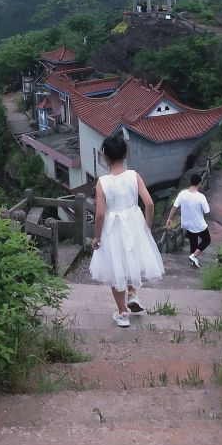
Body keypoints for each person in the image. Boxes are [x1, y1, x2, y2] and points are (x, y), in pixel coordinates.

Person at [89, 134, 164, 327]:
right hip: (134, 223)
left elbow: (99, 214)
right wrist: (147, 226)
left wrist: (97, 237)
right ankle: (132, 294)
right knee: (131, 258)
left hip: (112, 228)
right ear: (126, 153)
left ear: (105, 157)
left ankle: (122, 313)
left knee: (116, 266)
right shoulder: (133, 175)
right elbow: (149, 203)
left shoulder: (102, 182)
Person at [166, 173, 211, 268]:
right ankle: (194, 256)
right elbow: (207, 211)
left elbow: (175, 207)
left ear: (190, 183)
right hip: (198, 224)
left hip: (187, 224)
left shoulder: (182, 194)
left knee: (193, 242)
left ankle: (193, 261)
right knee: (207, 240)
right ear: (199, 183)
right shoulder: (201, 197)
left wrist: (170, 218)